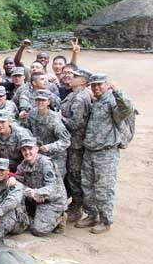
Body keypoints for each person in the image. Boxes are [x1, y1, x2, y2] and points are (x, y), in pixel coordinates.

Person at [77, 73, 134, 233]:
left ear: (107, 85)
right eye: (93, 85)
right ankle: (91, 215)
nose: (96, 87)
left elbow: (127, 108)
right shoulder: (96, 101)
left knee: (103, 188)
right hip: (90, 150)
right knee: (87, 186)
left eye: (99, 84)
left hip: (106, 152)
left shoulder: (112, 101)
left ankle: (105, 220)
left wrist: (118, 90)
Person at [60, 69, 92, 222]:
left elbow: (75, 123)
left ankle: (78, 206)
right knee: (71, 175)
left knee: (75, 175)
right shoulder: (74, 94)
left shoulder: (80, 97)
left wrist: (60, 118)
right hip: (70, 142)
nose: (72, 78)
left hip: (76, 144)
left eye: (76, 76)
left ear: (84, 81)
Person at [23, 89, 71, 179]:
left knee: (56, 184)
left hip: (55, 158)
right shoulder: (32, 114)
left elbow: (66, 141)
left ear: (48, 102)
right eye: (37, 100)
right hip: (38, 156)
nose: (40, 103)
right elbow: (26, 130)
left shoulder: (54, 119)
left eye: (43, 100)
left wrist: (50, 147)